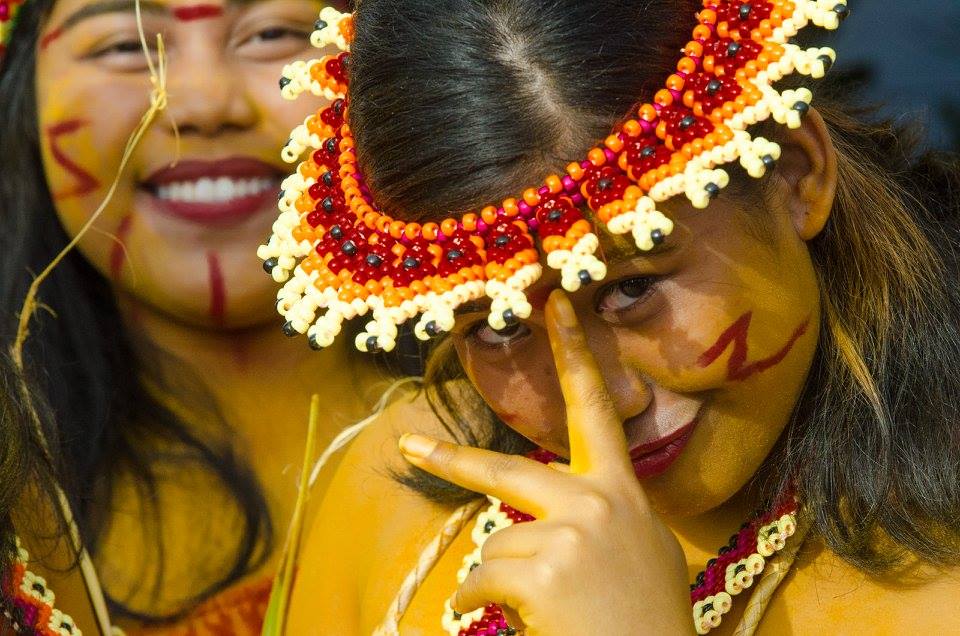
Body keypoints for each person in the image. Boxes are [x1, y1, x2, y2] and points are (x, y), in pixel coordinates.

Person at [269, 0, 960, 633]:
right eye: (499, 324)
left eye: (631, 291)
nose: (599, 401)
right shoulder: (392, 496)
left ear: (794, 175)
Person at [0, 0, 408, 632]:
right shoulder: (16, 491)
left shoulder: (559, 399)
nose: (203, 105)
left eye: (274, 33)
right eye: (125, 47)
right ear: (22, 101)